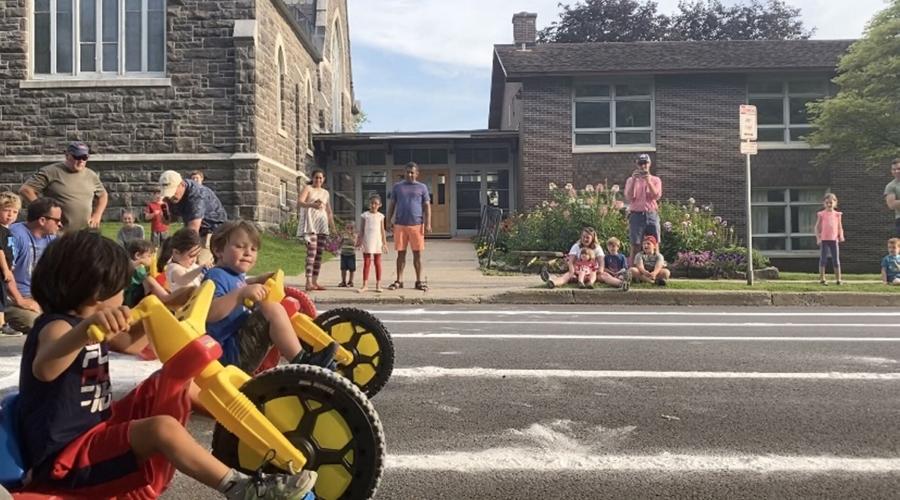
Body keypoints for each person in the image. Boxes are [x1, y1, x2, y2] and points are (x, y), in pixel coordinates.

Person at [16, 230, 318, 499]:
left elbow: (131, 344)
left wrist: (165, 306)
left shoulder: (87, 324)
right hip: (66, 457)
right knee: (162, 429)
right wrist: (85, 331)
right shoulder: (57, 327)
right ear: (98, 292)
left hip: (96, 429)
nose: (124, 296)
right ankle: (241, 488)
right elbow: (46, 367)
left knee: (172, 379)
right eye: (120, 289)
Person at [204, 221, 337, 373]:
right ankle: (302, 360)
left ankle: (304, 353)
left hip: (237, 346)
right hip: (228, 354)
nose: (248, 253)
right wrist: (240, 295)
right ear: (218, 250)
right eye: (240, 247)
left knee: (271, 309)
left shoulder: (234, 276)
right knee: (271, 310)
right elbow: (210, 313)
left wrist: (254, 281)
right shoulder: (215, 276)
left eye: (253, 249)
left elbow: (236, 286)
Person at [19, 141, 108, 231]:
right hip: (58, 234)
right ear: (67, 156)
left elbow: (103, 195)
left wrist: (97, 215)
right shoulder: (51, 171)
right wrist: (44, 211)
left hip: (85, 234)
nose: (81, 160)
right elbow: (26, 190)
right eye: (77, 157)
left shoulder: (91, 175)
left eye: (84, 157)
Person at [6, 198, 63, 333]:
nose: (60, 224)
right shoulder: (15, 236)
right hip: (13, 299)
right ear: (42, 220)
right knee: (38, 323)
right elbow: (4, 274)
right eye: (56, 220)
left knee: (66, 318)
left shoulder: (51, 238)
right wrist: (21, 301)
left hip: (37, 297)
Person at [158, 170, 227, 265]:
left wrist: (182, 255)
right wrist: (167, 219)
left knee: (199, 264)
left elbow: (193, 230)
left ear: (181, 184)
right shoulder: (173, 196)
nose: (171, 197)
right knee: (166, 256)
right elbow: (174, 218)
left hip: (213, 231)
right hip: (194, 230)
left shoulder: (197, 195)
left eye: (173, 192)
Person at [386, 162, 431, 291]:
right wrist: (389, 221)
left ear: (417, 174)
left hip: (417, 225)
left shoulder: (422, 187)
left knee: (417, 255)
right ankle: (399, 280)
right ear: (404, 173)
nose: (409, 174)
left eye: (412, 172)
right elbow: (392, 205)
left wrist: (428, 223)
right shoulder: (397, 187)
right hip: (400, 225)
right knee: (401, 254)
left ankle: (419, 281)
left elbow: (427, 206)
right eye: (407, 172)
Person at [297, 169, 334, 291]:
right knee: (311, 253)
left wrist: (332, 226)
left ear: (324, 179)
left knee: (319, 254)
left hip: (322, 224)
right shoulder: (308, 188)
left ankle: (315, 281)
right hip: (311, 224)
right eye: (316, 177)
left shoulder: (325, 193)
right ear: (313, 178)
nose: (318, 180)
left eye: (320, 178)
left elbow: (328, 210)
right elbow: (300, 202)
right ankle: (308, 281)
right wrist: (312, 205)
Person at [624, 153, 662, 262]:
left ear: (649, 164)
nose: (643, 166)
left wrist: (648, 181)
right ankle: (632, 272)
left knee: (655, 244)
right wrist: (634, 181)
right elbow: (629, 197)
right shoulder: (630, 180)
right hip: (636, 215)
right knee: (635, 245)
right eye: (641, 163)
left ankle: (655, 271)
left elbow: (656, 196)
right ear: (637, 165)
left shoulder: (656, 180)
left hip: (651, 214)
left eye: (645, 163)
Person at [540, 227, 605, 289]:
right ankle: (553, 282)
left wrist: (599, 271)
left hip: (591, 273)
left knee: (605, 276)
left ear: (592, 238)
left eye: (587, 237)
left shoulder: (597, 248)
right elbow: (570, 261)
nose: (585, 239)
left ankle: (613, 283)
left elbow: (601, 262)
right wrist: (572, 271)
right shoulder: (576, 246)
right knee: (567, 276)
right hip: (578, 272)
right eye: (583, 237)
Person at [123, 239, 169, 307]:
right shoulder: (132, 266)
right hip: (130, 298)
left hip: (134, 295)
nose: (151, 258)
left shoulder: (140, 267)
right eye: (149, 256)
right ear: (137, 255)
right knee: (150, 280)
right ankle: (167, 298)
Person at [0, 193, 22, 336]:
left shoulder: (8, 231)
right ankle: (1, 325)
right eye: (6, 210)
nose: (10, 215)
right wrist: (6, 270)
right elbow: (0, 251)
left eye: (14, 212)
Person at [357, 194, 388, 293]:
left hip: (377, 242)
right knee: (366, 263)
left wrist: (384, 243)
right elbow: (361, 230)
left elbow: (382, 230)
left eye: (376, 203)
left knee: (377, 263)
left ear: (380, 205)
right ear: (369, 204)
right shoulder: (365, 215)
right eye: (372, 203)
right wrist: (359, 241)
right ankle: (365, 284)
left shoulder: (381, 216)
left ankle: (378, 284)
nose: (374, 205)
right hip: (367, 241)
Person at [162, 228, 206, 292]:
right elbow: (183, 279)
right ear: (176, 252)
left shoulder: (193, 266)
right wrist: (200, 269)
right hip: (183, 301)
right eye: (191, 256)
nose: (194, 260)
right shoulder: (173, 268)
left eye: (196, 256)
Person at [815, 193, 844, 286]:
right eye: (827, 203)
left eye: (831, 203)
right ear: (824, 203)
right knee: (823, 259)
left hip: (834, 239)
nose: (829, 205)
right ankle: (822, 278)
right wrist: (818, 238)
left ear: (835, 203)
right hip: (824, 240)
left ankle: (838, 279)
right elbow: (817, 227)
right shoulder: (821, 214)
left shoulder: (837, 215)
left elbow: (840, 226)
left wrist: (841, 236)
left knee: (836, 259)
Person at [883, 159, 900, 236]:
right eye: (894, 169)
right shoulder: (891, 186)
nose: (896, 171)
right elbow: (891, 204)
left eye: (899, 169)